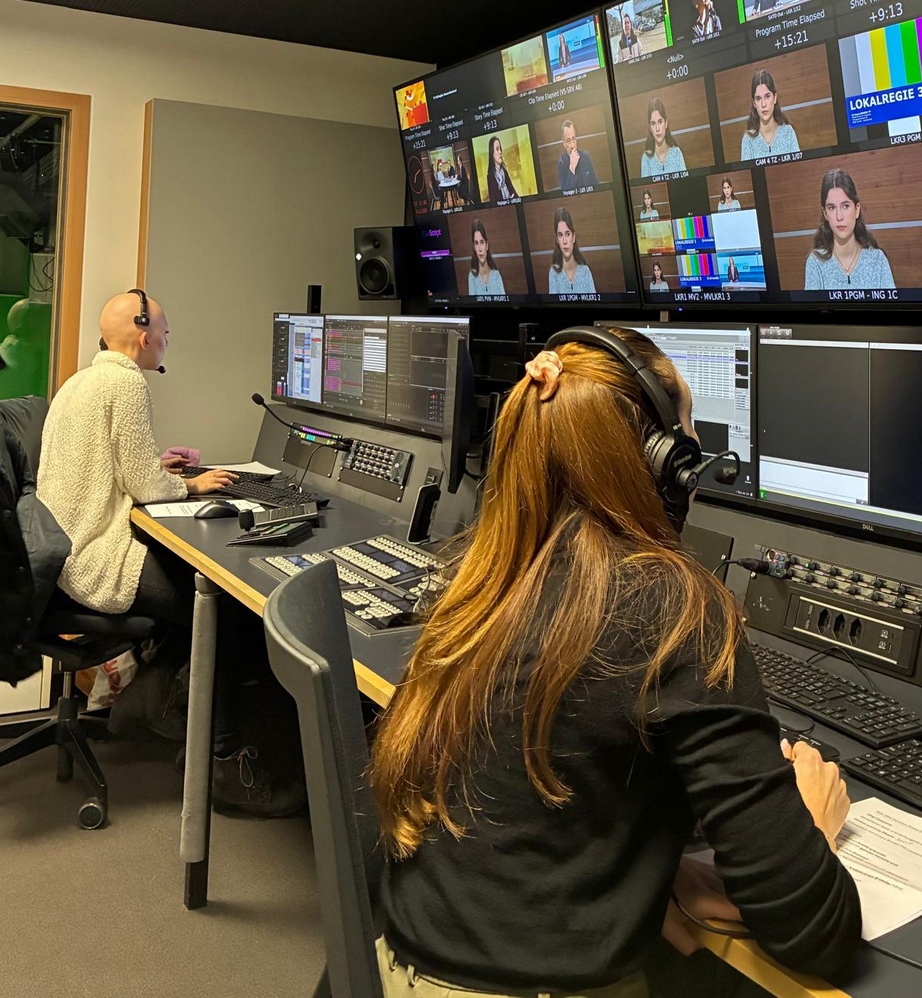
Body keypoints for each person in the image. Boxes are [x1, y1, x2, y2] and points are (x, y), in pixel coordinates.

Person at [368, 327, 861, 996]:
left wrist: (656, 871)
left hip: (399, 967)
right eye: (689, 440)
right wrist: (813, 832)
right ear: (666, 464)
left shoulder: (486, 579)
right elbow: (816, 934)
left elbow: (540, 796)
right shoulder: (672, 606)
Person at [36, 292, 305, 815]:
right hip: (95, 561)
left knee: (194, 584)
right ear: (144, 335)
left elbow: (106, 465)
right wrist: (194, 484)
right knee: (224, 607)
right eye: (164, 331)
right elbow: (144, 485)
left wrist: (157, 466)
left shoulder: (81, 381)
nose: (165, 339)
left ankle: (153, 703)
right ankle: (225, 764)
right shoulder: (126, 383)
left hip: (65, 553)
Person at [804, 168, 896, 290]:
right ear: (825, 214)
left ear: (857, 209)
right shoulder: (815, 263)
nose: (839, 216)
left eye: (845, 206)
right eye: (832, 208)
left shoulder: (877, 260)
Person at [741, 69, 800, 161]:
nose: (763, 104)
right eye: (758, 98)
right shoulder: (748, 140)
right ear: (754, 103)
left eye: (767, 96)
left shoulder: (788, 133)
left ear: (775, 98)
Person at [546, 206, 597, 294]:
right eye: (560, 235)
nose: (564, 241)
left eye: (567, 234)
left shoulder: (585, 271)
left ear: (573, 237)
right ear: (557, 240)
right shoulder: (553, 273)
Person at [640, 97, 686, 177]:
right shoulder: (646, 159)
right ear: (650, 128)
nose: (657, 128)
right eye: (653, 123)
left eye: (660, 122)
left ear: (666, 123)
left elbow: (685, 182)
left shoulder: (676, 153)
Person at [556, 119, 599, 193]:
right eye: (568, 141)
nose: (572, 145)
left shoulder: (585, 156)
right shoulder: (561, 164)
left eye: (573, 139)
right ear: (563, 143)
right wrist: (572, 167)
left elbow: (596, 185)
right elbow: (566, 194)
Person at [466, 218, 506, 296]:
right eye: (476, 243)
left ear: (486, 245)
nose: (480, 249)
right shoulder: (472, 276)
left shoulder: (496, 275)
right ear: (474, 247)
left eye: (482, 242)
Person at [486, 136, 520, 204]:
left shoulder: (504, 171)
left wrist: (518, 201)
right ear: (492, 153)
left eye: (500, 149)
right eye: (497, 149)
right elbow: (493, 202)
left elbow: (512, 191)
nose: (500, 152)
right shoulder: (490, 176)